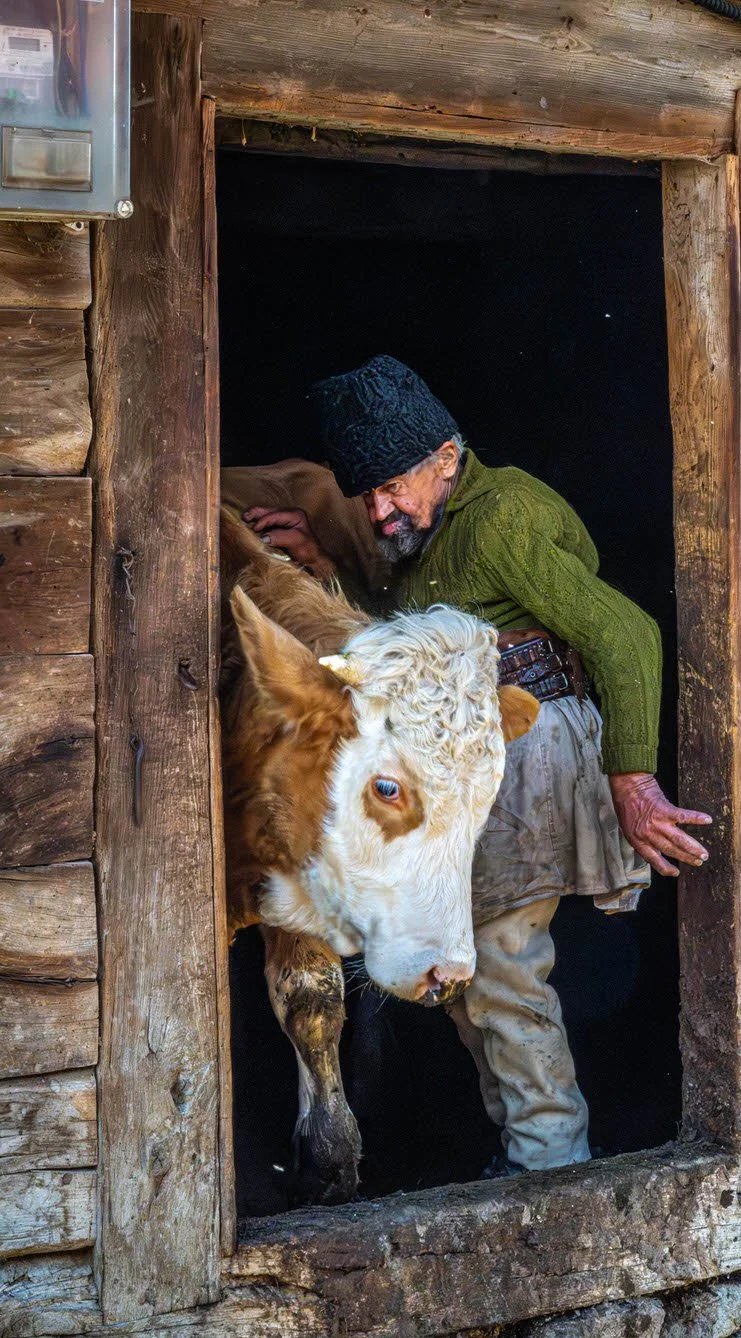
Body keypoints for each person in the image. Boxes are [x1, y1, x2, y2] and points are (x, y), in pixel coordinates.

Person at [238, 355, 710, 1174]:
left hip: (525, 757)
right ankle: (529, 1151)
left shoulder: (501, 519)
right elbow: (419, 636)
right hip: (474, 763)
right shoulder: (438, 533)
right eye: (368, 497)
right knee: (475, 977)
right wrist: (331, 567)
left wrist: (632, 781)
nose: (381, 511)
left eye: (392, 489)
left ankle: (551, 1162)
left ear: (447, 460)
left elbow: (626, 633)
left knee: (500, 971)